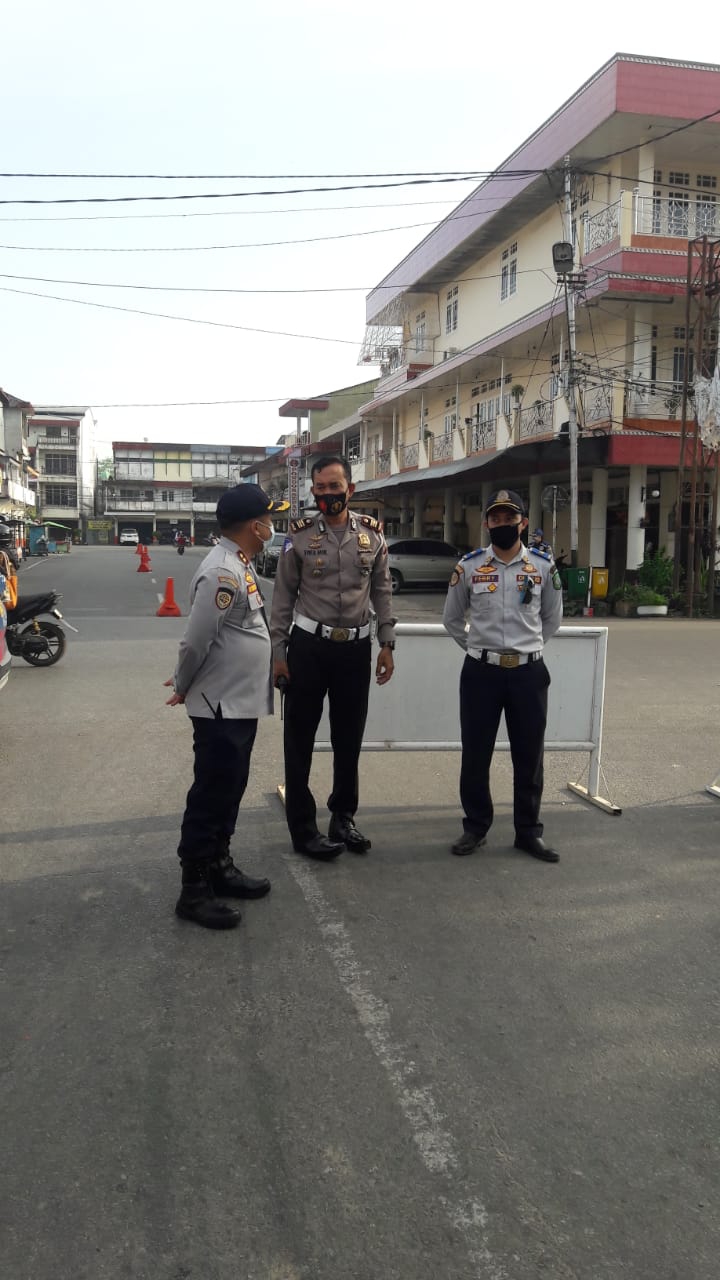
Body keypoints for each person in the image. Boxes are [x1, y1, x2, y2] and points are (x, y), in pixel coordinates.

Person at [165, 483, 289, 929]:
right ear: (254, 526)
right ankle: (194, 889)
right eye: (269, 519)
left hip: (237, 703)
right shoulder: (221, 571)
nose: (272, 526)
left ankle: (219, 865)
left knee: (230, 788)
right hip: (219, 705)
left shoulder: (239, 563)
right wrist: (182, 683)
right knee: (211, 794)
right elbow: (195, 640)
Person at [271, 454, 396, 860]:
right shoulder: (298, 537)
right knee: (299, 740)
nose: (328, 494)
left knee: (348, 738)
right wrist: (278, 652)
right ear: (313, 491)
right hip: (308, 648)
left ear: (350, 489)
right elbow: (282, 597)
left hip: (355, 650)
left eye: (335, 487)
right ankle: (303, 830)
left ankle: (343, 818)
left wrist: (387, 642)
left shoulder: (372, 536)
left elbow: (382, 590)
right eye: (321, 488)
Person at [443, 488, 563, 863]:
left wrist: (526, 649)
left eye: (509, 518)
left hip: (528, 674)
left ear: (522, 523)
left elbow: (552, 618)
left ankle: (528, 832)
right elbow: (452, 618)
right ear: (486, 524)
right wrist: (480, 650)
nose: (502, 524)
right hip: (481, 674)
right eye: (495, 518)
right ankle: (475, 827)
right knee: (475, 754)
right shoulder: (469, 567)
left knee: (529, 756)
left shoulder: (543, 567)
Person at [0, 523, 18, 609]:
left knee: (4, 605)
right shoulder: (7, 551)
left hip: (3, 588)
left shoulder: (1, 554)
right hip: (7, 584)